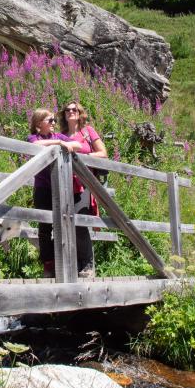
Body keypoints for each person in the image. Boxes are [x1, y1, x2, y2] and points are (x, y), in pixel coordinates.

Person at [27, 108, 82, 278]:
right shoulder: (35, 137)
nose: (53, 123)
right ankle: (48, 264)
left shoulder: (57, 136)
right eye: (49, 120)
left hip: (60, 188)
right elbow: (34, 145)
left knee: (62, 224)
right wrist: (59, 144)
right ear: (38, 124)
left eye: (53, 120)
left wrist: (64, 143)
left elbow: (78, 144)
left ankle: (63, 264)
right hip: (43, 188)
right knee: (44, 227)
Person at [58, 101, 108, 277]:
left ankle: (87, 266)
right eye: (67, 110)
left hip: (83, 183)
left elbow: (103, 153)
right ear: (64, 114)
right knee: (64, 224)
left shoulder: (87, 132)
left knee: (79, 223)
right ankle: (73, 265)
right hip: (63, 184)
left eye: (74, 109)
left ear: (79, 113)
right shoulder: (61, 135)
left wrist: (80, 157)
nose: (71, 112)